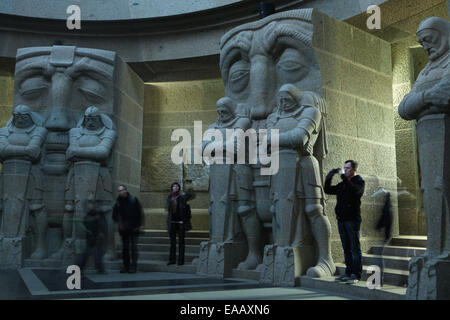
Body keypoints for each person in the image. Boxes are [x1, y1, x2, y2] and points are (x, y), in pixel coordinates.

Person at [324, 160, 365, 284]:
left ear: (353, 169)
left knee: (355, 248)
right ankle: (348, 273)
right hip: (341, 220)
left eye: (347, 168)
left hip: (352, 221)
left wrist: (342, 176)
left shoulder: (359, 182)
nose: (345, 170)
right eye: (344, 168)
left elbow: (355, 191)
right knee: (346, 248)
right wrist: (330, 175)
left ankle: (356, 275)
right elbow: (328, 190)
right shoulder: (342, 184)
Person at [112, 185, 144, 273]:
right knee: (125, 249)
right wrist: (118, 222)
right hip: (124, 229)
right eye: (119, 191)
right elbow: (114, 216)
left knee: (133, 247)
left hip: (134, 228)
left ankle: (133, 266)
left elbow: (140, 213)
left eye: (122, 190)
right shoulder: (117, 202)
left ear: (126, 190)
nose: (121, 192)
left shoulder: (133, 199)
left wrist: (141, 225)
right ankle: (126, 266)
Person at [166, 182, 195, 266]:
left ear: (179, 188)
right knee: (172, 242)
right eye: (173, 186)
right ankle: (172, 260)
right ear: (172, 188)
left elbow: (192, 195)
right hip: (172, 223)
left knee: (181, 242)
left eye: (177, 186)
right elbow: (168, 209)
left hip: (181, 223)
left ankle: (180, 261)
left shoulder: (182, 197)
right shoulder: (170, 197)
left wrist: (186, 192)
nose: (175, 187)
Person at [77, 200, 107, 274]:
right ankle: (100, 269)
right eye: (88, 205)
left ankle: (100, 269)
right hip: (91, 237)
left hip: (97, 237)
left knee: (96, 254)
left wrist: (101, 232)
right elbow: (87, 224)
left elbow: (102, 224)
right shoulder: (88, 215)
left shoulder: (98, 214)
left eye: (90, 205)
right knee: (88, 254)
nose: (89, 206)